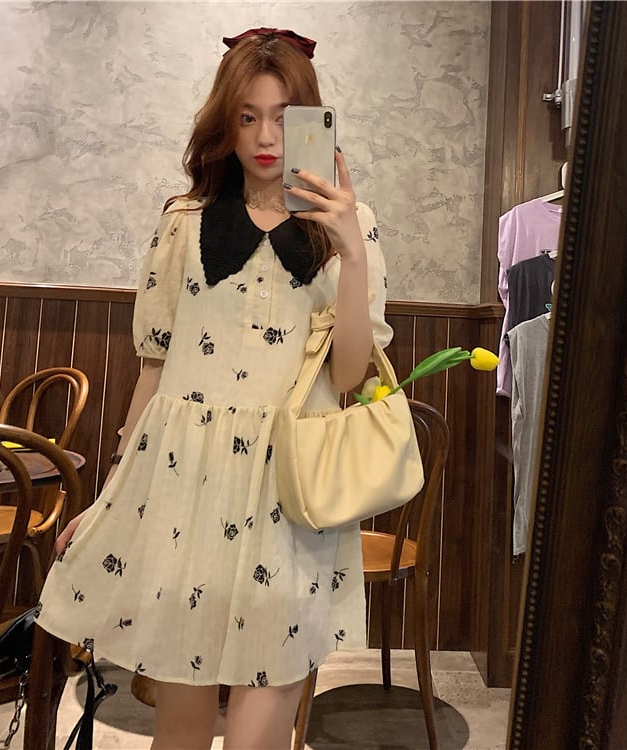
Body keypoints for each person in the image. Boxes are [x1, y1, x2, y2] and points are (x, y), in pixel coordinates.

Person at [35, 27, 392, 750]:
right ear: (224, 124)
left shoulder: (351, 228)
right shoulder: (183, 224)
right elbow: (154, 369)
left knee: (261, 730)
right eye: (246, 116)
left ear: (313, 122)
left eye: (283, 117)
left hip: (289, 492)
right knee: (180, 729)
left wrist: (351, 251)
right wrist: (112, 494)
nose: (265, 137)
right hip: (183, 488)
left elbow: (349, 376)